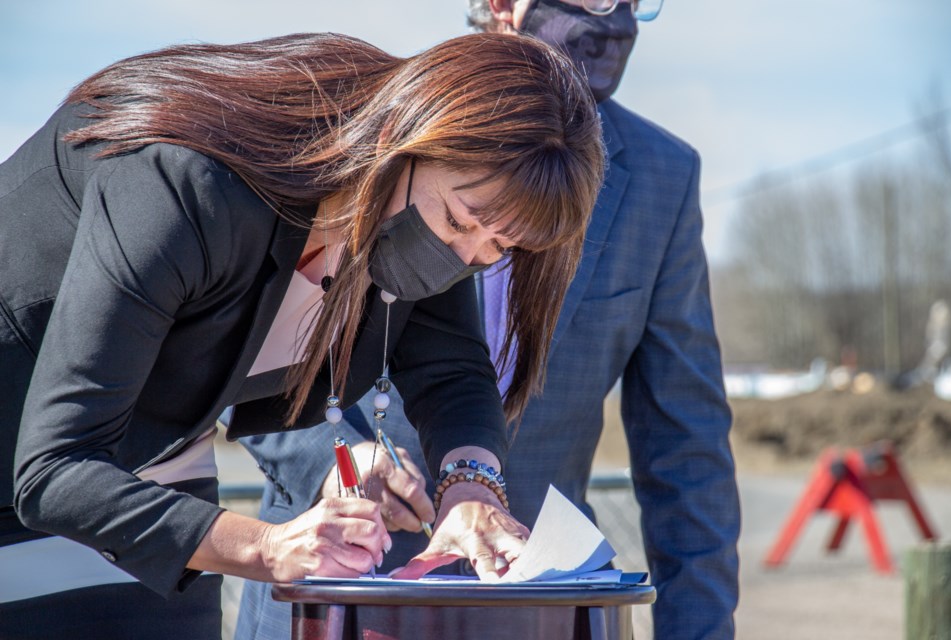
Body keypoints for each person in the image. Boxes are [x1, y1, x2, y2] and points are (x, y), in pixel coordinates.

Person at [0, 31, 605, 639]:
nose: (464, 257)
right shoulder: (187, 182)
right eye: (458, 221)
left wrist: (471, 489)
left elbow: (453, 373)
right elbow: (55, 468)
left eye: (497, 247)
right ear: (404, 138)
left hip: (154, 456)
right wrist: (269, 547)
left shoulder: (420, 207)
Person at [238, 2, 740, 639]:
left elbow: (686, 448)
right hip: (336, 596)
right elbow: (232, 348)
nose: (616, 18)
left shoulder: (663, 179)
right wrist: (335, 461)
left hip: (537, 608)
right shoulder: (377, 122)